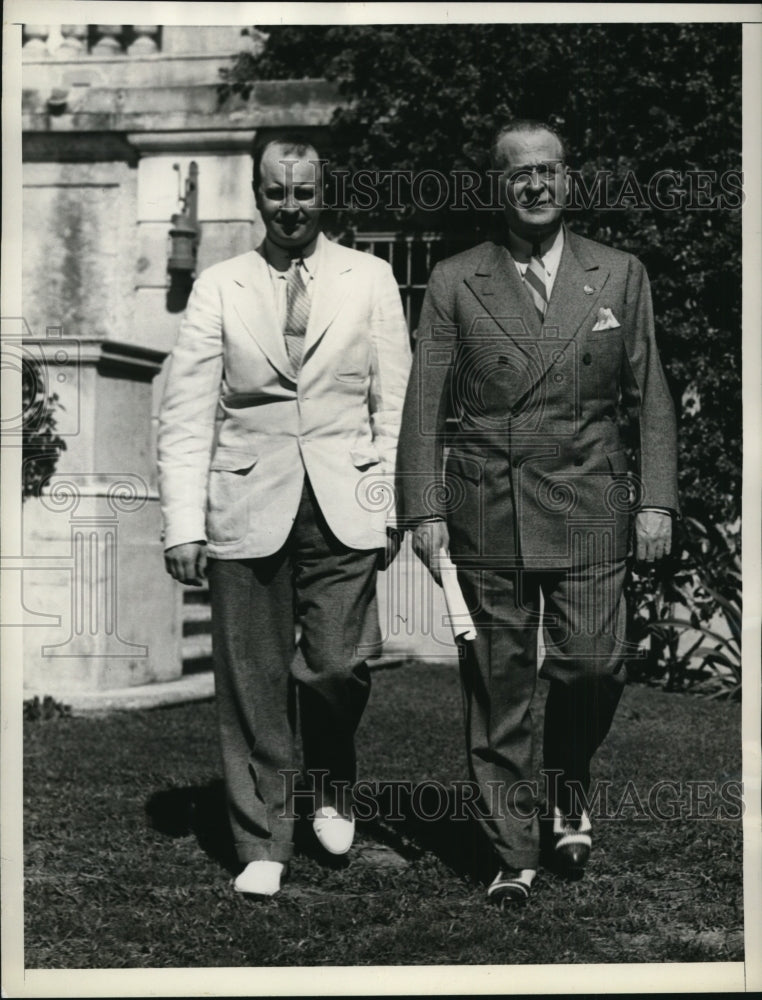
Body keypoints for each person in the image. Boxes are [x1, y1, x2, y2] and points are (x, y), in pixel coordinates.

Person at [396, 119, 678, 907]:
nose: (535, 185)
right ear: (498, 183)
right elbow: (426, 406)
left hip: (592, 503)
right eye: (518, 172)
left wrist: (654, 499)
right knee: (499, 684)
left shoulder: (618, 274)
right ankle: (512, 849)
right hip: (491, 504)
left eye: (548, 170)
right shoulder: (457, 279)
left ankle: (568, 781)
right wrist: (424, 508)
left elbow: (648, 396)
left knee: (593, 664)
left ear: (568, 179)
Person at [158, 132, 411, 897]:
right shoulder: (220, 285)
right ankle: (262, 837)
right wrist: (182, 523)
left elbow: (394, 405)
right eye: (276, 191)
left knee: (337, 664)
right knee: (251, 682)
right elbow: (187, 412)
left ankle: (330, 781)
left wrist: (389, 506)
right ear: (257, 194)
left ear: (323, 193)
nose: (290, 206)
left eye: (303, 192)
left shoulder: (369, 278)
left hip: (344, 503)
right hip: (245, 501)